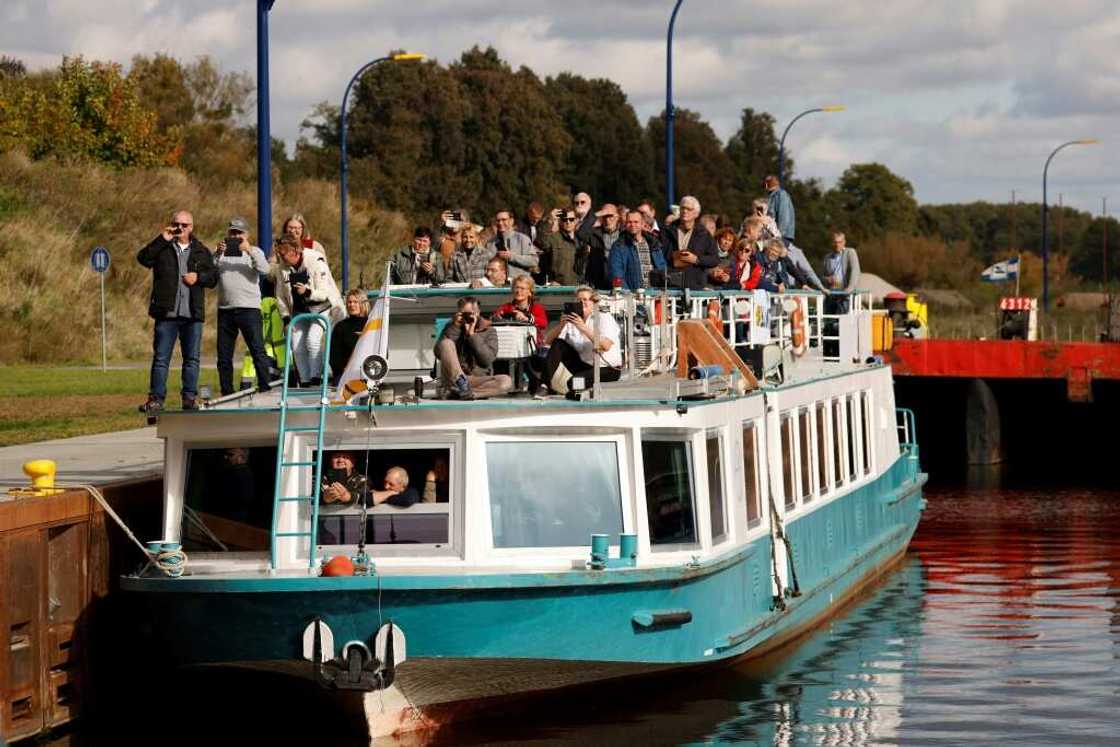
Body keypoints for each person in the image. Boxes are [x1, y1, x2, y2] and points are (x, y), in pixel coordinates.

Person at [136, 209, 218, 414]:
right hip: (167, 314)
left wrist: (198, 278)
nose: (179, 228)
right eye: (176, 224)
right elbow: (143, 258)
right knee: (161, 358)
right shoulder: (163, 247)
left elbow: (214, 277)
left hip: (192, 314)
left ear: (191, 227)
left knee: (192, 359)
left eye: (184, 225)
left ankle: (189, 397)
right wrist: (161, 239)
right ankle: (156, 399)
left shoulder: (200, 250)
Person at [271, 234, 344, 387]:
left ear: (295, 251)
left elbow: (324, 292)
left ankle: (316, 378)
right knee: (296, 345)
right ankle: (304, 380)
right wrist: (285, 317)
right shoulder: (281, 268)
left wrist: (307, 292)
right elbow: (280, 295)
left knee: (312, 340)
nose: (282, 258)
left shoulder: (316, 261)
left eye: (284, 254)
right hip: (298, 310)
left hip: (322, 306)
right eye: (279, 254)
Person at [214, 217, 273, 396]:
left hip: (249, 309)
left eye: (239, 233)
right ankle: (227, 391)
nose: (236, 236)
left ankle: (265, 387)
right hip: (225, 310)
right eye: (233, 232)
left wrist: (249, 251)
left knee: (257, 349)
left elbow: (265, 270)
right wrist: (216, 254)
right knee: (224, 356)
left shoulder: (255, 251)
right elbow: (209, 270)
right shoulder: (221, 253)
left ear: (247, 235)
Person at [542, 286, 622, 395]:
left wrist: (583, 327)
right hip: (585, 366)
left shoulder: (604, 317)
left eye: (585, 299)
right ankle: (544, 385)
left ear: (593, 303)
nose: (582, 302)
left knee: (573, 383)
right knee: (558, 343)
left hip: (607, 368)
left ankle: (577, 390)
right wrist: (561, 325)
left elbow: (605, 346)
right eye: (579, 300)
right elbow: (547, 341)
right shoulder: (572, 320)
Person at [433, 296, 513, 400]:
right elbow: (438, 352)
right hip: (453, 378)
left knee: (506, 381)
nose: (467, 317)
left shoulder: (489, 330)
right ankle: (461, 385)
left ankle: (466, 393)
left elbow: (487, 360)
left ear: (478, 313)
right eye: (463, 314)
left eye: (469, 314)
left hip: (476, 380)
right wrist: (455, 328)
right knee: (446, 343)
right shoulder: (452, 326)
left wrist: (472, 335)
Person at [663, 195, 719, 290]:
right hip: (670, 285)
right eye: (683, 208)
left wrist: (697, 260)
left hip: (695, 286)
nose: (685, 211)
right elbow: (660, 255)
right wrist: (674, 256)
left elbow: (715, 259)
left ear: (696, 214)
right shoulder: (667, 231)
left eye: (689, 209)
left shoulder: (704, 234)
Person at [609, 210, 666, 290]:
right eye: (629, 222)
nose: (632, 225)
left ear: (642, 223)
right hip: (632, 296)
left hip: (654, 294)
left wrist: (661, 292)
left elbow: (662, 269)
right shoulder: (619, 246)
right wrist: (628, 296)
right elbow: (616, 275)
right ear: (625, 224)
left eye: (636, 222)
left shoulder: (653, 244)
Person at [329, 288, 369, 384]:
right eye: (349, 302)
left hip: (367, 373)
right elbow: (334, 357)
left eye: (355, 302)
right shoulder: (340, 327)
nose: (351, 305)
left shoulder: (371, 324)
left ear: (363, 304)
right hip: (344, 375)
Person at [485, 209, 538, 279]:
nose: (500, 223)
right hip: (497, 286)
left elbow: (534, 261)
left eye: (504, 220)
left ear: (511, 221)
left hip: (518, 284)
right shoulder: (490, 243)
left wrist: (512, 257)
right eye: (498, 220)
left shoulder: (523, 239)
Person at [538, 208, 584, 285]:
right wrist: (549, 220)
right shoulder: (554, 238)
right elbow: (541, 240)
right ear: (560, 221)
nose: (568, 222)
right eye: (565, 220)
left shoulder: (581, 240)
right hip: (559, 287)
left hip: (579, 288)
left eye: (571, 219)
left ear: (576, 220)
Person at [492, 275, 547, 339]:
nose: (518, 291)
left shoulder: (537, 308)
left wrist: (527, 318)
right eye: (516, 288)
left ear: (530, 292)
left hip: (532, 344)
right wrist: (500, 317)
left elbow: (544, 323)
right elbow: (493, 318)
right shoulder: (506, 307)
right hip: (512, 341)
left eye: (522, 288)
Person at [822, 231, 861, 313]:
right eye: (835, 242)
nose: (837, 245)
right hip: (831, 294)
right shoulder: (827, 257)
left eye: (840, 242)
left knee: (844, 320)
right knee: (829, 321)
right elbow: (821, 277)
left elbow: (855, 271)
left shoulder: (850, 252)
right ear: (832, 243)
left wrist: (849, 288)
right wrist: (827, 279)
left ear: (844, 242)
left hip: (845, 294)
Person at [586, 204, 622, 289]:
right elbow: (580, 234)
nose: (607, 220)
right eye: (604, 216)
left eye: (610, 216)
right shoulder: (593, 234)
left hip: (620, 281)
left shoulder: (624, 234)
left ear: (617, 217)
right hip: (598, 281)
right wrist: (595, 215)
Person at [764, 175, 796, 244]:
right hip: (772, 236)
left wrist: (778, 236)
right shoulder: (771, 197)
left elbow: (784, 217)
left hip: (781, 237)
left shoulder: (781, 195)